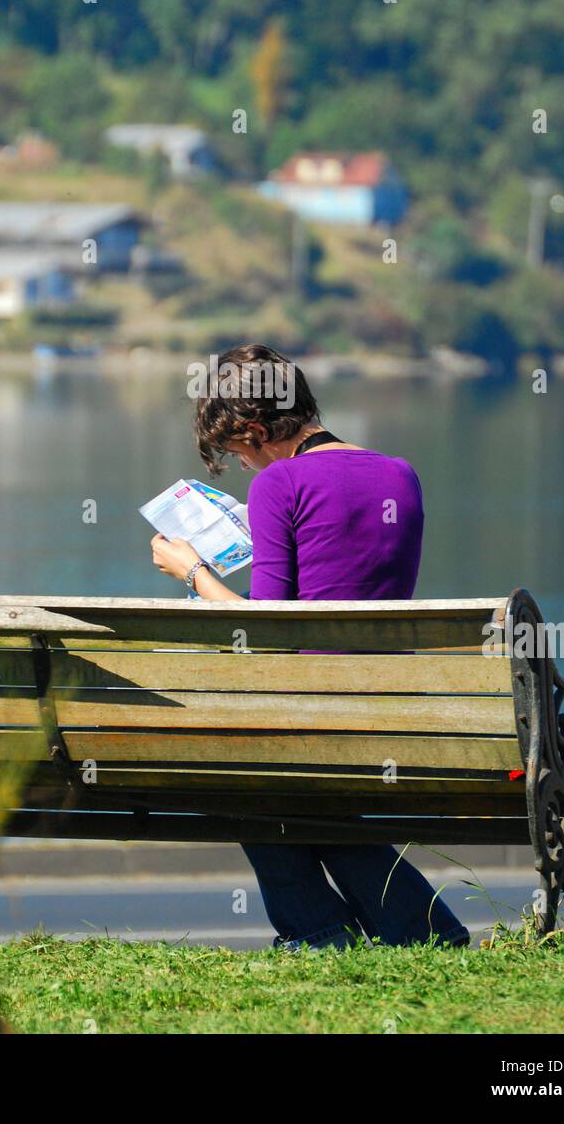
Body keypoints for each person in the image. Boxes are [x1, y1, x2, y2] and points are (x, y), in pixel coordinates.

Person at [150, 344, 470, 952]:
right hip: (386, 707)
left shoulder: (280, 481)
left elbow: (266, 634)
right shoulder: (399, 473)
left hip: (309, 709)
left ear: (257, 430)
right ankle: (419, 932)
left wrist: (193, 572)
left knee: (243, 787)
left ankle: (323, 933)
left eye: (239, 453)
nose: (244, 468)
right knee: (304, 808)